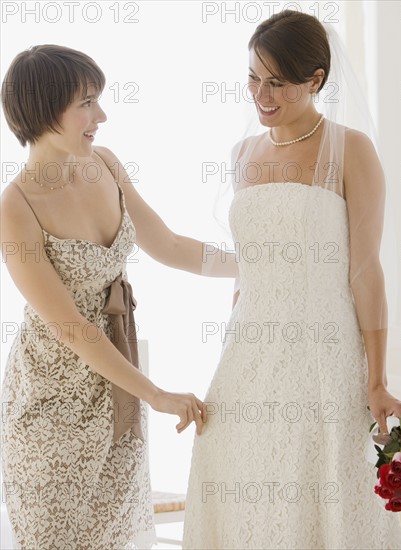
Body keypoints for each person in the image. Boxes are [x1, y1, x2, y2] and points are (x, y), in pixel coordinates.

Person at [182, 10, 401, 549]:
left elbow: (364, 269)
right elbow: (250, 268)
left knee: (317, 489)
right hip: (249, 353)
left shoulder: (351, 149)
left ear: (316, 81)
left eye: (276, 83)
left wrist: (375, 380)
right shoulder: (242, 155)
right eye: (253, 79)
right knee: (238, 482)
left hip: (323, 352)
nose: (261, 94)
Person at [0, 44, 237, 549]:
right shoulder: (15, 207)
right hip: (50, 406)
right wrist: (158, 395)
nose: (101, 116)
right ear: (44, 110)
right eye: (87, 103)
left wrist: (262, 265)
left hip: (117, 399)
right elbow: (74, 330)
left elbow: (170, 246)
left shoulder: (105, 163)